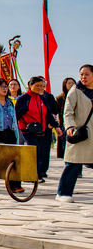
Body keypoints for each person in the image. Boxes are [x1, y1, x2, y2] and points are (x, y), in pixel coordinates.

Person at [56, 65, 93, 202]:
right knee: (73, 163)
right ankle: (63, 193)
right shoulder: (76, 90)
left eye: (87, 74)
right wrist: (70, 126)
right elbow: (68, 111)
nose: (83, 77)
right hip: (80, 133)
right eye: (81, 74)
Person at [17, 76, 62, 182]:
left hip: (40, 129)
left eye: (41, 86)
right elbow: (16, 114)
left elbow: (49, 114)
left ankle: (35, 174)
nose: (39, 88)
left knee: (39, 152)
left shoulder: (43, 99)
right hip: (26, 129)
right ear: (30, 85)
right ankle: (33, 175)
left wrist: (56, 126)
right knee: (34, 150)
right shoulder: (24, 99)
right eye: (36, 86)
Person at [55, 77, 76, 158]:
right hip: (65, 124)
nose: (71, 85)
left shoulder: (78, 95)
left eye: (73, 83)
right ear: (65, 85)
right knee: (65, 143)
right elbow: (55, 111)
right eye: (69, 83)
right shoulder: (60, 98)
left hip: (76, 123)